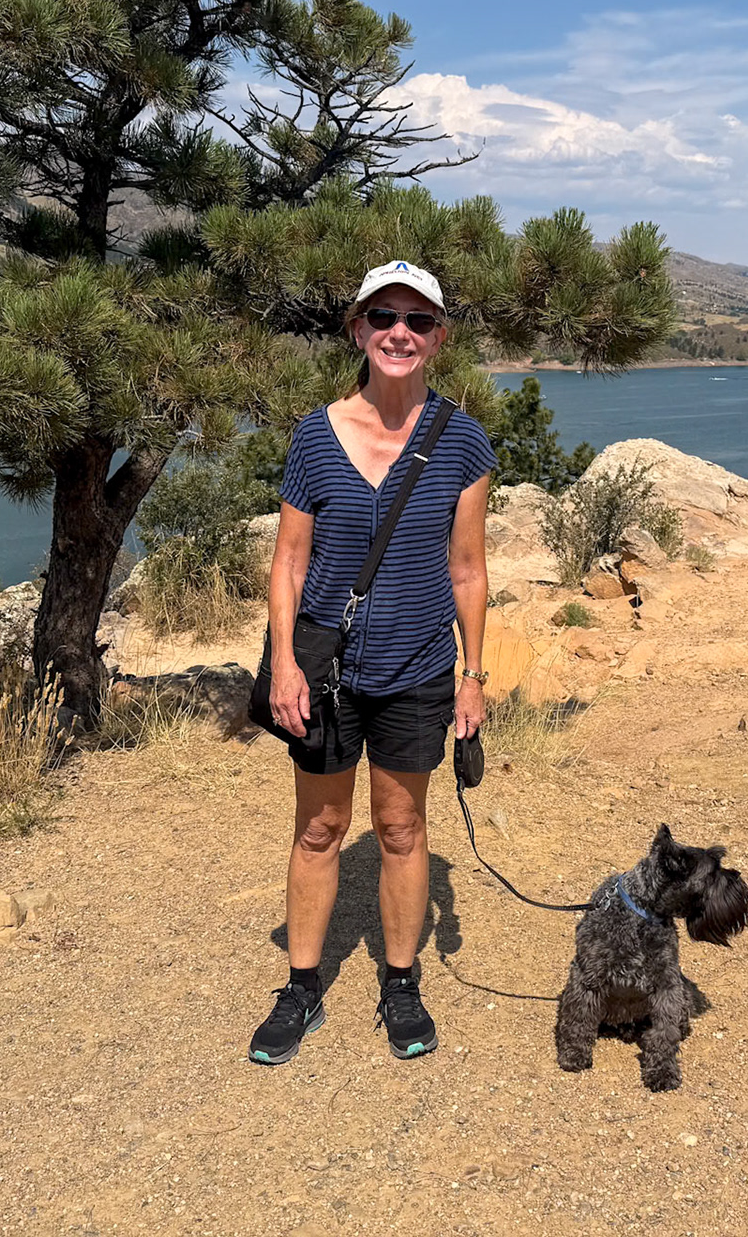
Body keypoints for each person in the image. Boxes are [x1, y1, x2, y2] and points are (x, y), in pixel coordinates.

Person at [249, 260, 496, 1065]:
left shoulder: (462, 441)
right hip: (326, 673)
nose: (401, 332)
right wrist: (283, 663)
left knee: (401, 827)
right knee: (321, 828)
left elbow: (467, 569)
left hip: (419, 668)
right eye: (385, 316)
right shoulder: (314, 438)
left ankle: (399, 981)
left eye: (418, 321)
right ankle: (302, 987)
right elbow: (287, 563)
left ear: (438, 339)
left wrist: (473, 675)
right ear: (359, 330)